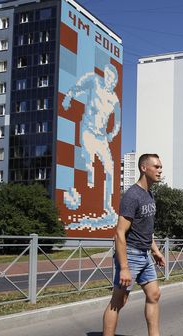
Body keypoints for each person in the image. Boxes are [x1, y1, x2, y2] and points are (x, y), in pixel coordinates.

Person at [100, 154, 180, 336]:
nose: (160, 170)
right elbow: (119, 233)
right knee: (119, 301)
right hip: (131, 255)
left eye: (161, 166)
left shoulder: (149, 195)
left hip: (145, 254)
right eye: (156, 166)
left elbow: (146, 229)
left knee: (154, 294)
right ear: (144, 168)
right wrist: (124, 267)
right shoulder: (132, 196)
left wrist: (156, 251)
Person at [62, 63, 121, 230]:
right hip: (87, 131)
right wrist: (68, 98)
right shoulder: (94, 81)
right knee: (89, 166)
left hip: (101, 137)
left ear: (115, 81)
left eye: (112, 78)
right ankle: (82, 202)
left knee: (110, 169)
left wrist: (112, 134)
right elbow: (77, 87)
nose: (109, 80)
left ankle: (108, 206)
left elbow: (117, 121)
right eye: (107, 76)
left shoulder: (115, 99)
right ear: (104, 76)